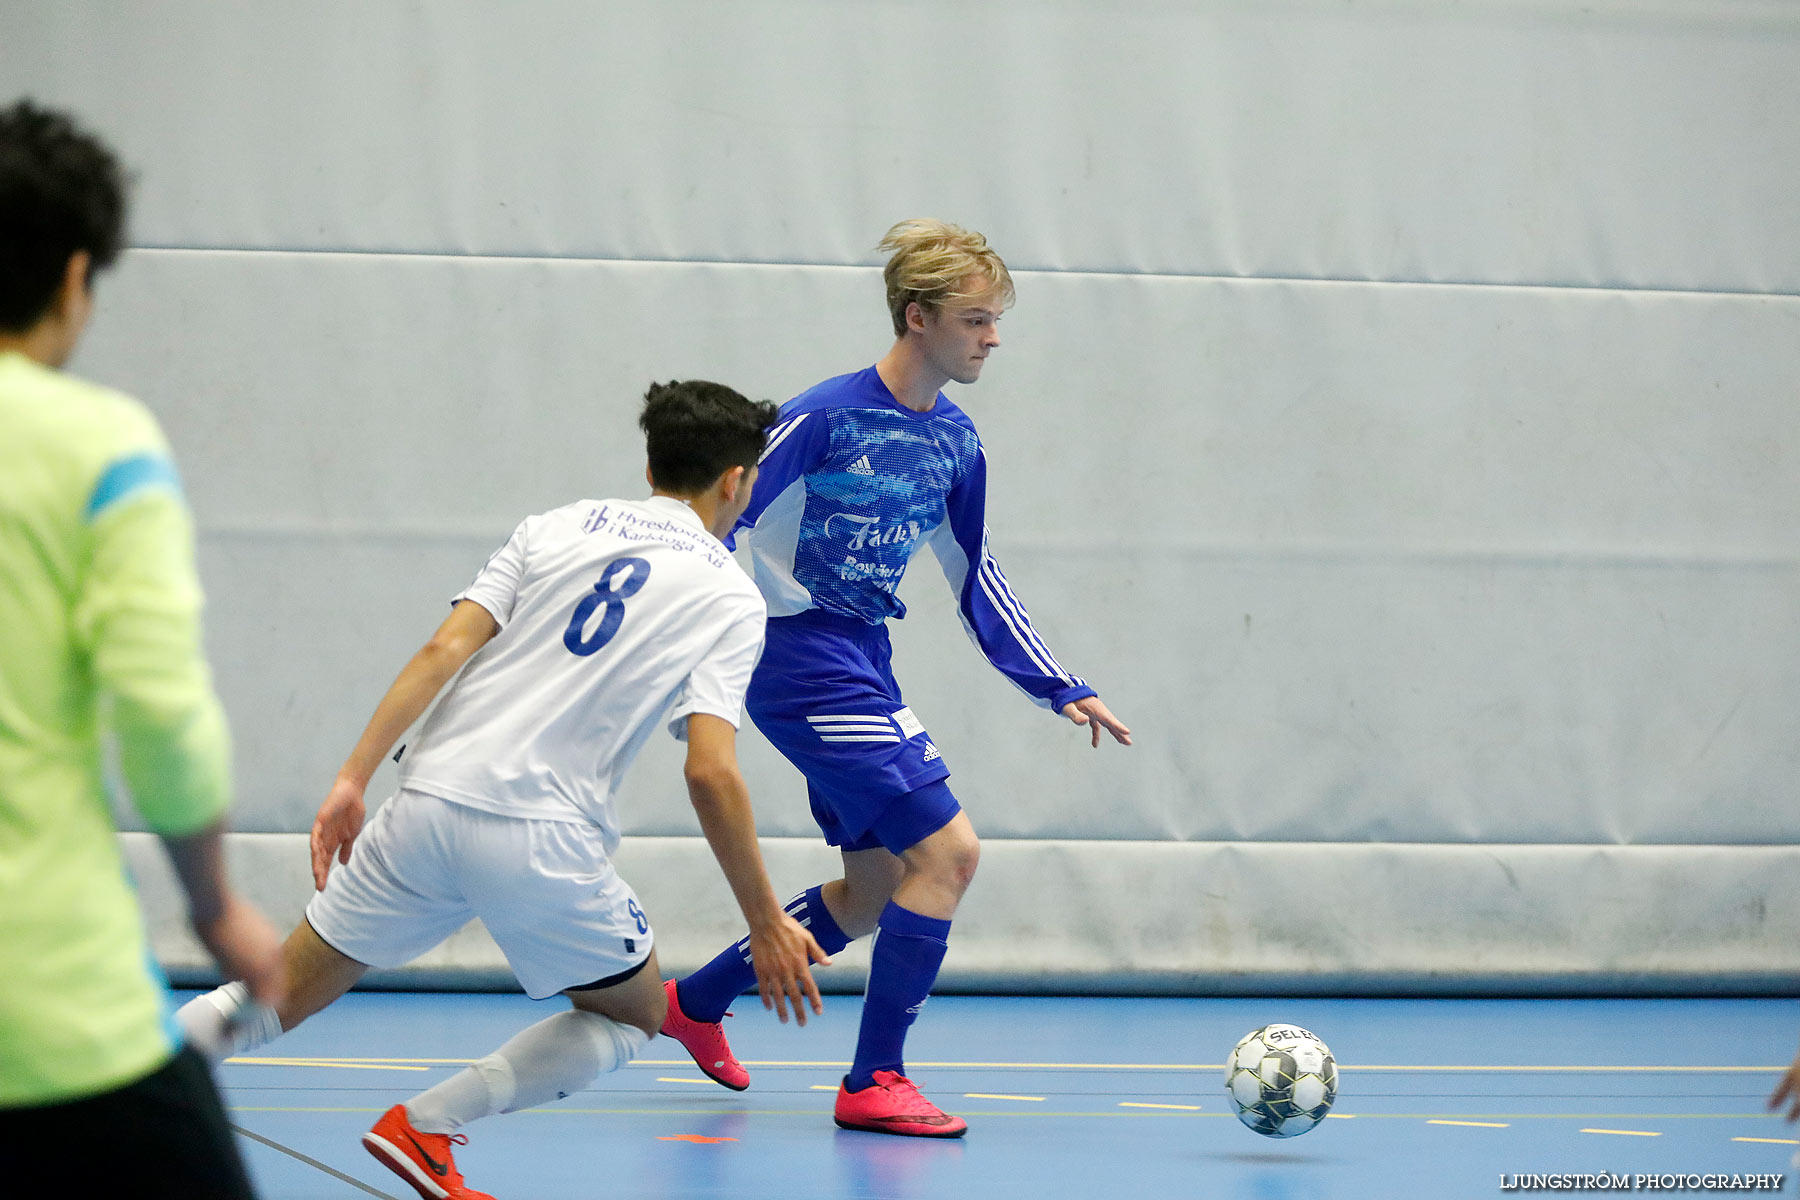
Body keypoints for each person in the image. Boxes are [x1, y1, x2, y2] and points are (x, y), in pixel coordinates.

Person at [178, 380, 830, 1200]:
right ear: (736, 480)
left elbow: (441, 648)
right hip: (542, 835)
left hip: (425, 801)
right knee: (631, 1015)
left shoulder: (553, 526)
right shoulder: (731, 595)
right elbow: (710, 769)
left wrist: (352, 779)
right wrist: (766, 922)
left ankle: (86, 1090)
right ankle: (426, 1125)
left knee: (277, 992)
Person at [659, 218, 1132, 1138]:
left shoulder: (957, 442)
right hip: (796, 659)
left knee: (873, 891)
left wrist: (1055, 681)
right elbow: (709, 522)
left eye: (995, 321)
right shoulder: (820, 419)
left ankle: (698, 1002)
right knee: (949, 856)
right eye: (975, 320)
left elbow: (975, 571)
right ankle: (873, 1079)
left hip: (863, 655)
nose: (992, 338)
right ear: (917, 318)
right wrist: (679, 649)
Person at [0, 99, 286, 1196]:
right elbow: (162, 717)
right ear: (75, 277)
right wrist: (214, 907)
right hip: (53, 1011)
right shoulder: (98, 445)